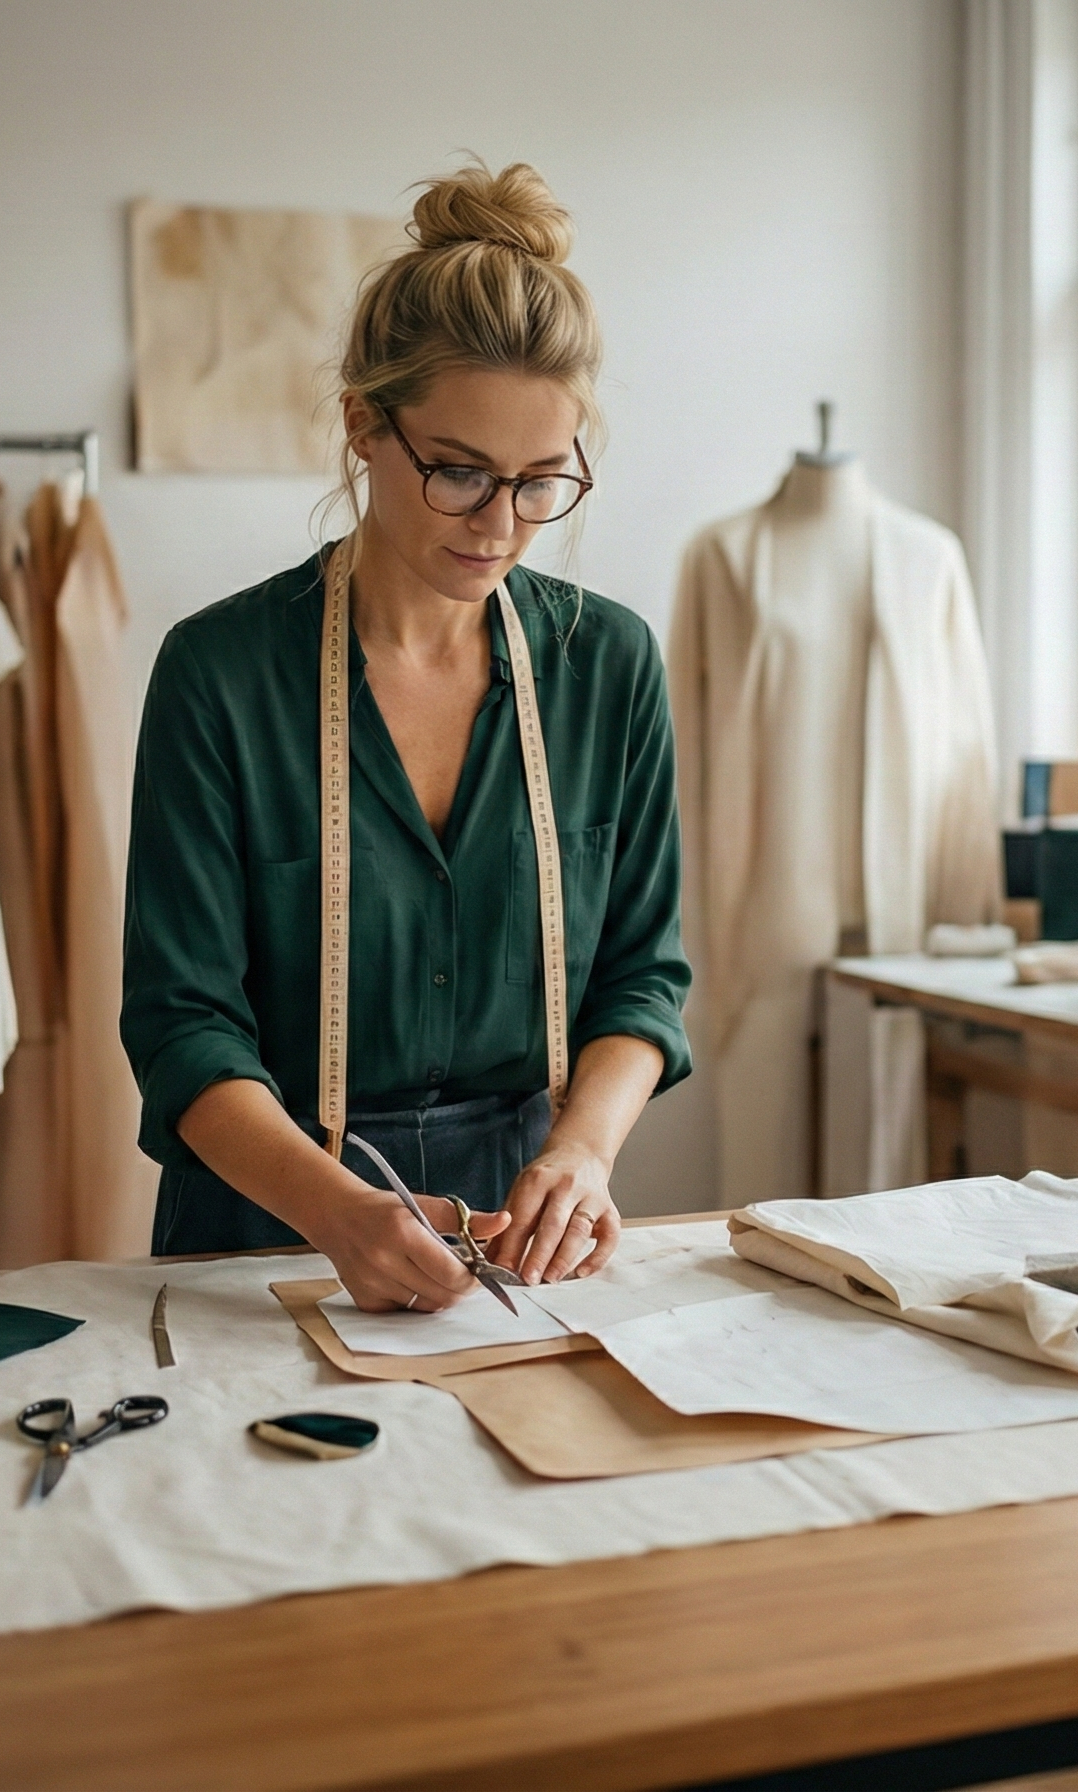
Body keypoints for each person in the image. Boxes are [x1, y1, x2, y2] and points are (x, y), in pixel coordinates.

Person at [121, 160, 690, 1311]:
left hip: (519, 1224)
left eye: (541, 483)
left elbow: (644, 976)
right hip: (267, 1216)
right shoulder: (220, 674)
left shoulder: (609, 666)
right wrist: (332, 1205)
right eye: (461, 473)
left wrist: (582, 1154)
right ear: (364, 428)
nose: (500, 527)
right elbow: (183, 1023)